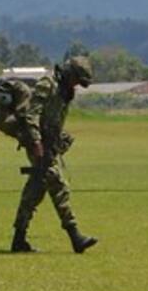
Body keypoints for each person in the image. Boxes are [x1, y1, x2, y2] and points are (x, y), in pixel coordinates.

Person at [11, 56, 98, 254]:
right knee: (57, 185)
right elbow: (32, 114)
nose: (76, 85)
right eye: (76, 80)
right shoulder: (47, 84)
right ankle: (75, 236)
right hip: (38, 144)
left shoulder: (64, 90)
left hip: (49, 144)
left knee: (35, 191)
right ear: (68, 73)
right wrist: (36, 141)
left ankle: (18, 239)